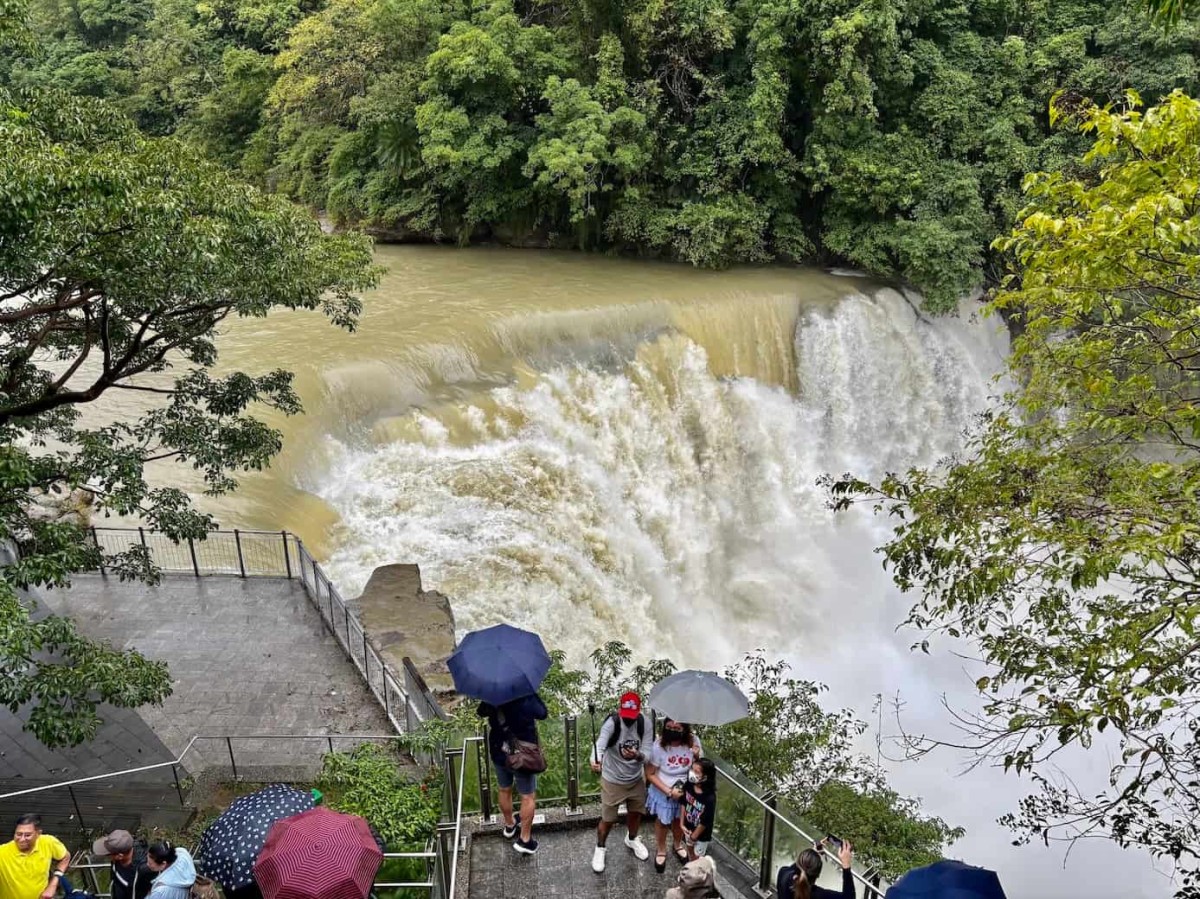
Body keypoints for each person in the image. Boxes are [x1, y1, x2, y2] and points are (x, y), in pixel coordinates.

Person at [588, 691, 653, 872]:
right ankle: (600, 847)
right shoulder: (612, 723)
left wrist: (638, 755)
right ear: (620, 710)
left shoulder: (644, 723)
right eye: (626, 716)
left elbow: (648, 753)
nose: (629, 720)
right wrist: (595, 760)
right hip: (612, 779)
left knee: (636, 813)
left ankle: (632, 839)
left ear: (639, 712)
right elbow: (599, 745)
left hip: (635, 778)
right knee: (608, 819)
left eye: (632, 716)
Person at [478, 692, 548, 855]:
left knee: (504, 788)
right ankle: (525, 839)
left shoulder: (493, 691)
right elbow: (542, 713)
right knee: (527, 796)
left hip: (498, 750)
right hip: (522, 754)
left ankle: (509, 825)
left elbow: (481, 712)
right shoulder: (525, 693)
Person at [644, 717, 702, 873]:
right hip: (665, 789)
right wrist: (669, 791)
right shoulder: (659, 746)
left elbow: (700, 768)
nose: (673, 731)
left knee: (679, 819)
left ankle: (677, 844)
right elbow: (649, 773)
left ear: (684, 729)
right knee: (662, 821)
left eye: (677, 728)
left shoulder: (693, 741)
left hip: (686, 789)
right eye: (670, 727)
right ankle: (661, 849)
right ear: (664, 727)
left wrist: (697, 757)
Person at [0, 814, 74, 899]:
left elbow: (65, 857)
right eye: (18, 834)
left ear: (38, 834)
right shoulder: (2, 852)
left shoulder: (48, 842)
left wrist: (53, 885)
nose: (22, 839)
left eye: (27, 835)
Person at [776, 840, 856, 899]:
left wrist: (811, 855)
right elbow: (849, 897)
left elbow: (796, 867)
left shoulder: (783, 873)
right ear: (817, 875)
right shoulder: (819, 895)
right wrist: (846, 864)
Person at [91, 830, 155, 899]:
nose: (107, 857)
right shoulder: (118, 858)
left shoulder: (146, 870)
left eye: (108, 854)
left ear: (120, 856)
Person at [679, 757, 716, 861]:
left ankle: (695, 874)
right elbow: (683, 803)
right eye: (692, 769)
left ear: (705, 777)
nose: (692, 773)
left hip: (701, 836)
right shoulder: (689, 785)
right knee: (690, 852)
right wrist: (681, 824)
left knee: (698, 859)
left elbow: (706, 821)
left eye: (696, 772)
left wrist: (693, 837)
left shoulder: (709, 798)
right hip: (688, 829)